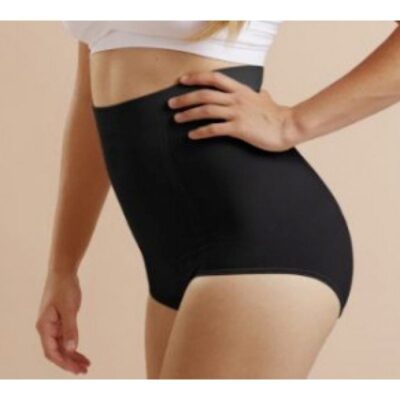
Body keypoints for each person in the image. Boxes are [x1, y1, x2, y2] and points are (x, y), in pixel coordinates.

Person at [36, 20, 400, 379]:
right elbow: (88, 97)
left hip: (259, 242)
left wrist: (292, 123)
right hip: (174, 254)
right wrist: (62, 268)